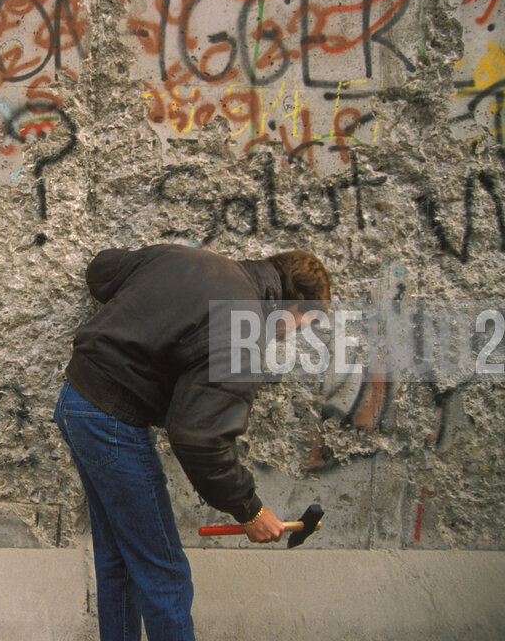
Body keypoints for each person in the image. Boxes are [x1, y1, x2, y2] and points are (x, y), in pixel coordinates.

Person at [54, 244, 331, 641]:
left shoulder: (188, 260)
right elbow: (201, 437)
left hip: (76, 399)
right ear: (295, 302)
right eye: (302, 324)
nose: (292, 335)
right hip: (111, 421)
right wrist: (250, 510)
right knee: (164, 572)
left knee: (119, 556)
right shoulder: (243, 325)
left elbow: (102, 270)